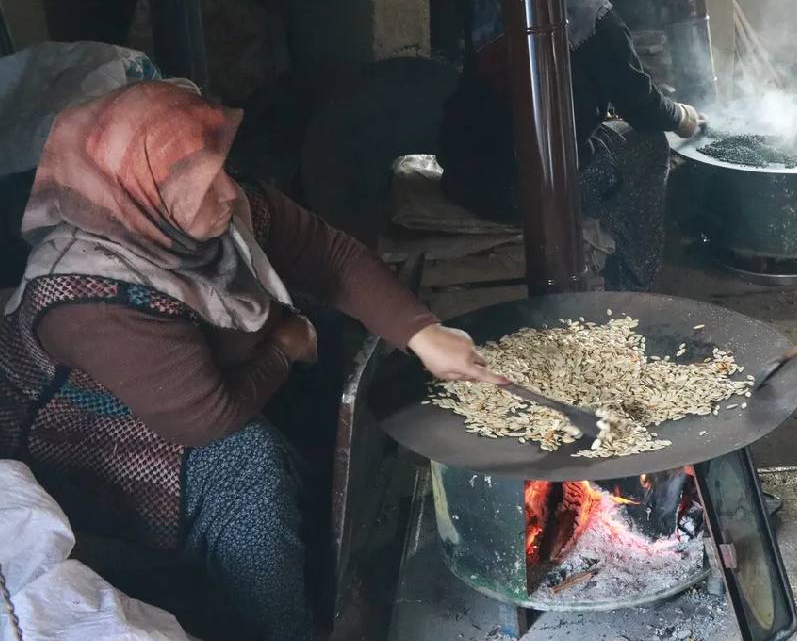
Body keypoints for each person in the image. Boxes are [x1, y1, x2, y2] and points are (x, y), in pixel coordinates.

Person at [0, 81, 506, 641]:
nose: (225, 193)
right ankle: (280, 621)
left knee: (326, 334)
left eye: (219, 168)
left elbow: (325, 253)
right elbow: (204, 419)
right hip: (93, 435)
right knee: (247, 468)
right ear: (137, 199)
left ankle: (324, 522)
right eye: (195, 185)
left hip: (194, 381)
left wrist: (423, 333)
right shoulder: (88, 297)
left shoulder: (217, 207)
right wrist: (283, 348)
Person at [437, 0, 704, 292]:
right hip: (525, 194)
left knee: (603, 137)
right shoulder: (587, 12)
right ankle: (633, 281)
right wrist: (682, 116)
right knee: (649, 147)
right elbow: (644, 109)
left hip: (462, 175)